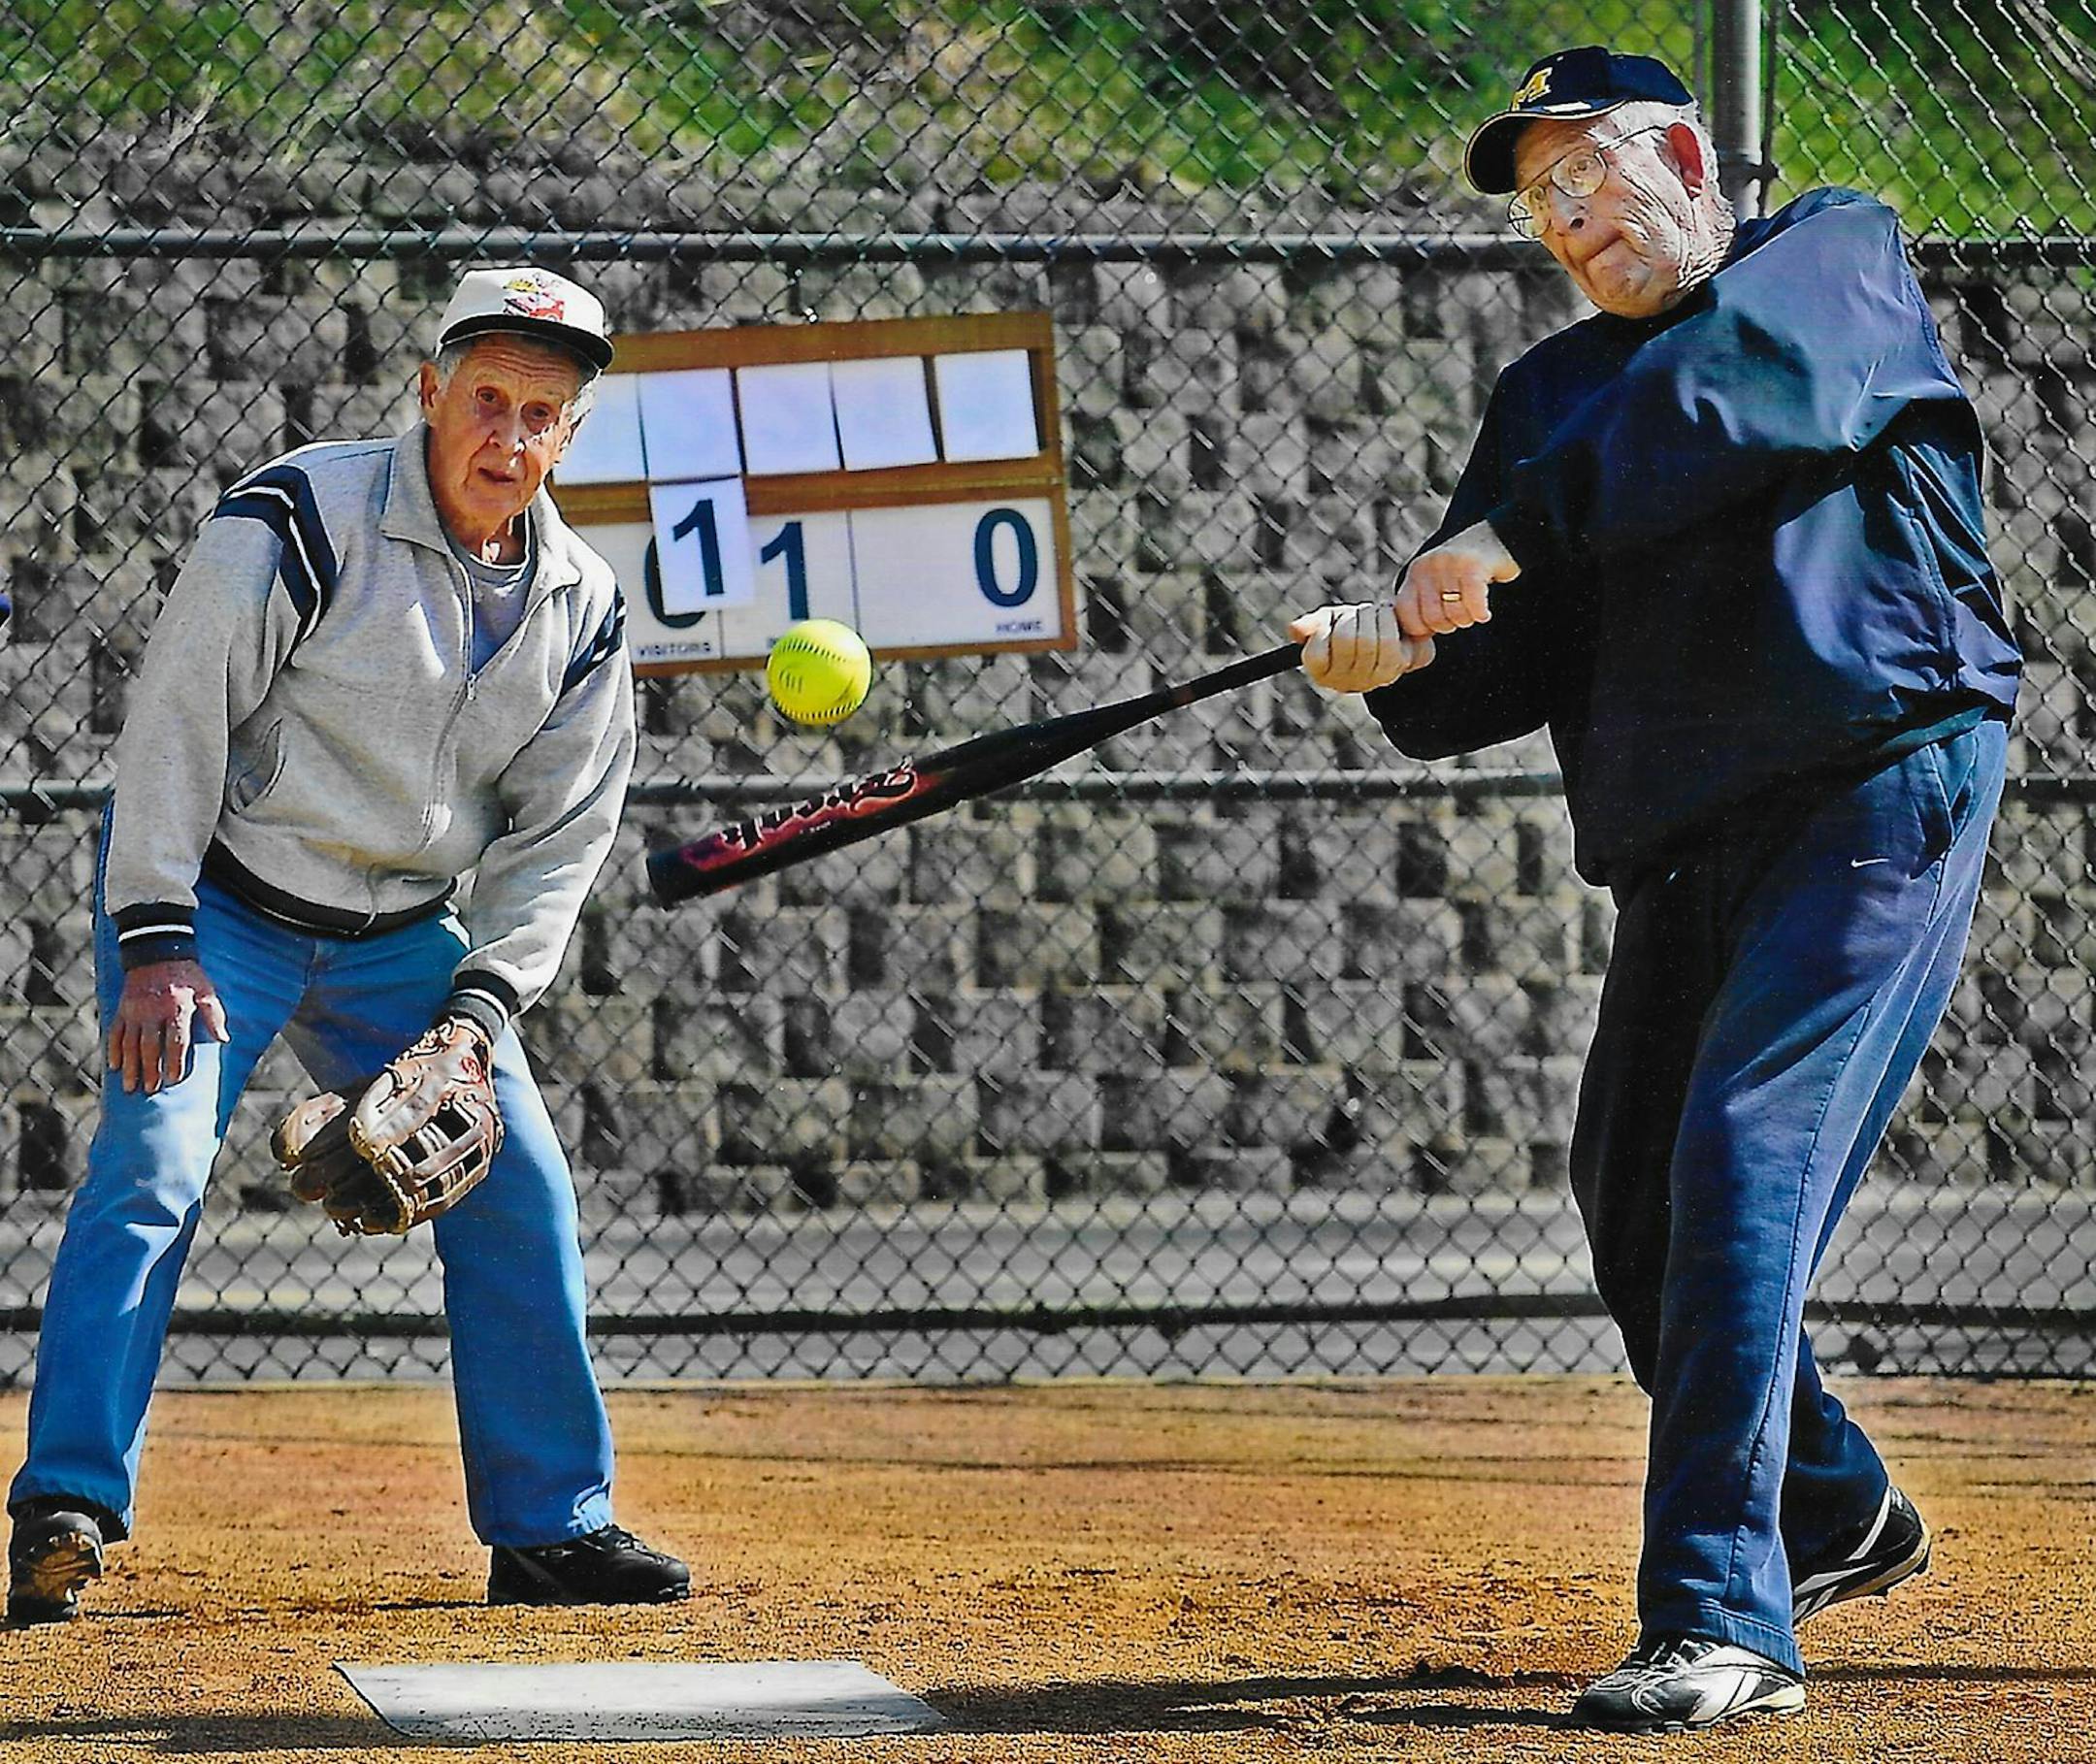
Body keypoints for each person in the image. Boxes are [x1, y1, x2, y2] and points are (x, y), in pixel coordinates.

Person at [1289, 46, 2019, 1735]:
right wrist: (1394, 657)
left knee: (1743, 1155)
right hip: (1686, 839)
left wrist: (1506, 537)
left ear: (1687, 150)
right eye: (1543, 201)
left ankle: (1723, 1613)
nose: (1569, 217)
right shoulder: (1550, 401)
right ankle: (1836, 1505)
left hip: (1873, 781)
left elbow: (1734, 399)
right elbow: (1506, 641)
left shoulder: (1824, 265)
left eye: (1591, 174)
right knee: (1633, 1194)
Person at [8, 266, 690, 1622]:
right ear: (430, 391)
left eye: (539, 413)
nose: (507, 434)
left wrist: (473, 1021)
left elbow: (558, 845)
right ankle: (64, 1502)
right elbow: (176, 726)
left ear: (570, 437)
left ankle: (550, 1523)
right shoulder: (299, 518)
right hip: (219, 910)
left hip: (401, 940)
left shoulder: (584, 604)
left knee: (522, 1181)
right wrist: (153, 940)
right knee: (154, 1159)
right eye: (485, 396)